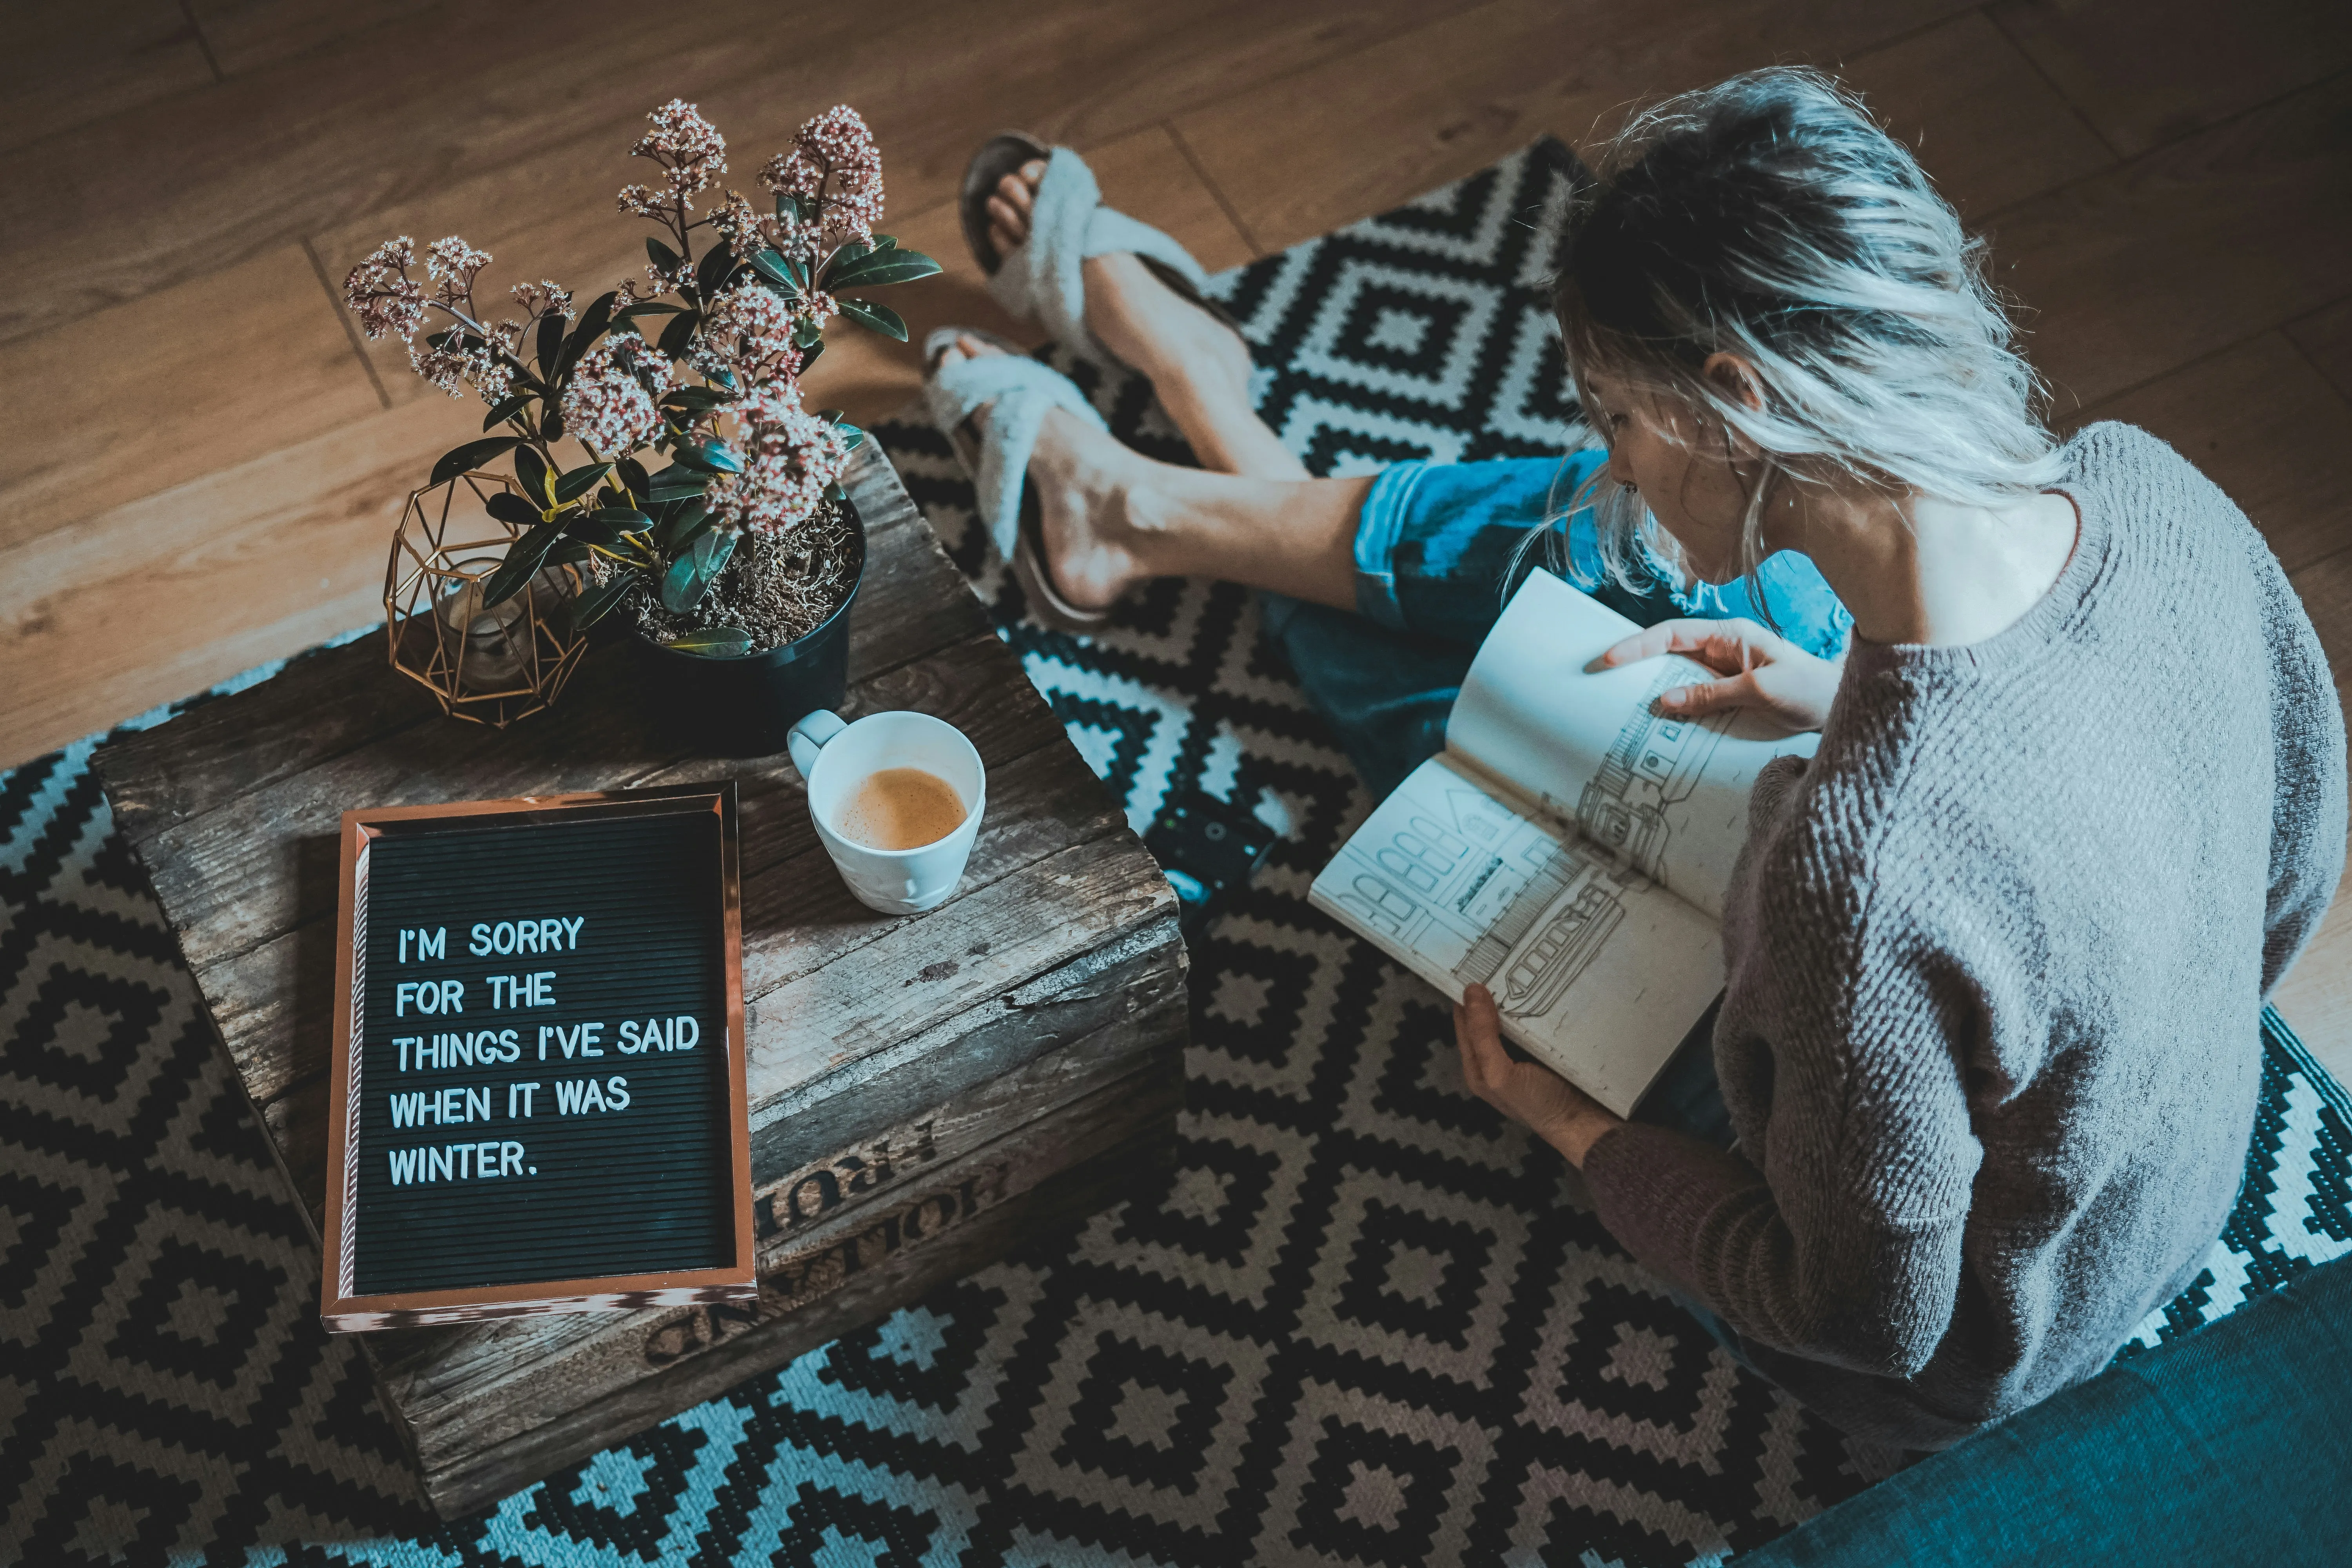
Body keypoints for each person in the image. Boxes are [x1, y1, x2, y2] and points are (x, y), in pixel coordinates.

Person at [925, 69, 2347, 1448]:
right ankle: (1166, 474)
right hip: (2182, 1177)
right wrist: (1836, 688)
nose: (1615, 449)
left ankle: (1179, 452)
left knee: (1471, 738)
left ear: (1738, 398)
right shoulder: (2150, 490)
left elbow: (1863, 1318)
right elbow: (2289, 873)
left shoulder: (1866, 876)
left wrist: (1577, 1132)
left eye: (1618, 414)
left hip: (1973, 1343)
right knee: (1611, 554)